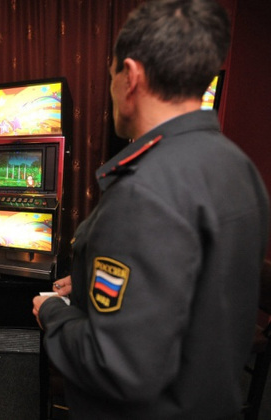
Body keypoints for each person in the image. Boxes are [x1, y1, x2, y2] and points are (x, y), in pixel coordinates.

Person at [32, 0, 270, 418]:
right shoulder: (241, 168)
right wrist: (86, 281)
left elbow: (116, 365)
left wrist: (52, 313)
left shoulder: (143, 190)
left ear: (131, 77)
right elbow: (185, 291)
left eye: (111, 76)